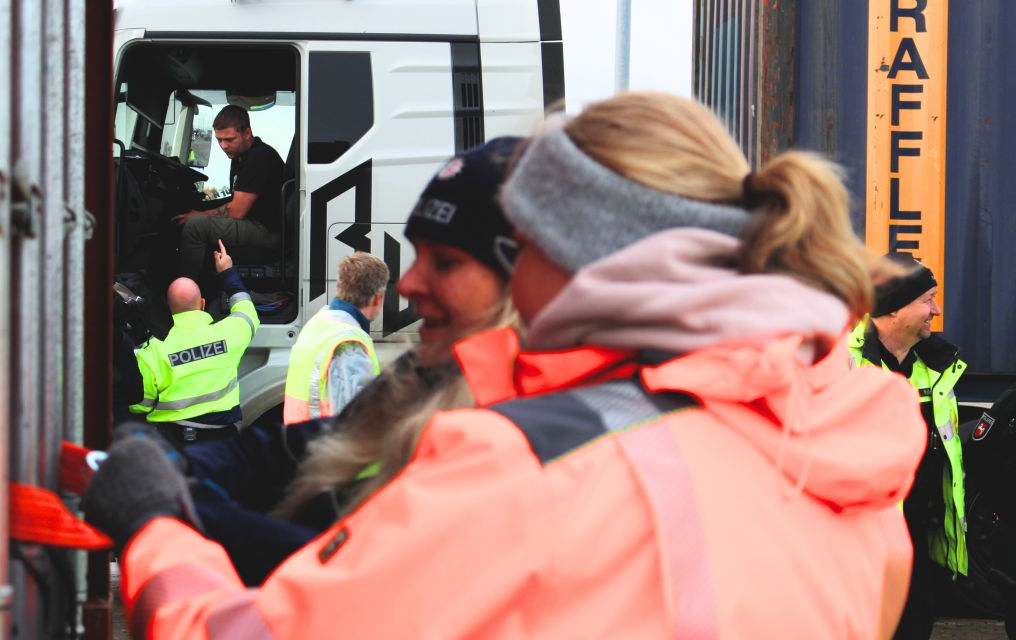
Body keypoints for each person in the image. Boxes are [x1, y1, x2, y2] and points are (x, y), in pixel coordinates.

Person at [84, 94, 923, 638]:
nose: (412, 284)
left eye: (515, 243)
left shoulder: (535, 459)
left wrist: (157, 526)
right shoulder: (844, 452)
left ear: (569, 253)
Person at [184, 136, 525, 585]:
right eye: (417, 257)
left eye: (444, 262)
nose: (413, 284)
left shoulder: (330, 330)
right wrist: (184, 477)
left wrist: (174, 511)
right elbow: (331, 435)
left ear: (522, 279)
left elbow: (359, 576)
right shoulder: (409, 371)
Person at [848, 254, 968, 639]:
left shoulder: (937, 368)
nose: (936, 310)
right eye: (927, 299)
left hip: (918, 544)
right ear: (894, 309)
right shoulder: (838, 365)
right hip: (856, 552)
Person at [129, 241, 260, 449]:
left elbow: (140, 404)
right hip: (223, 443)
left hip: (172, 444)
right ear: (202, 304)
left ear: (168, 309)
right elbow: (246, 310)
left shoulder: (152, 350)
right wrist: (227, 272)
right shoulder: (230, 333)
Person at [173, 105, 284, 281]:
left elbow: (236, 212)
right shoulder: (240, 156)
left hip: (267, 232)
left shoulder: (259, 158)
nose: (223, 146)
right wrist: (202, 207)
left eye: (229, 139)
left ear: (247, 133)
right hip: (254, 223)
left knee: (195, 227)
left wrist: (199, 215)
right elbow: (235, 199)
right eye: (219, 140)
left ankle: (186, 294)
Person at [282, 252, 389, 424]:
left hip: (302, 444)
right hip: (325, 448)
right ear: (377, 298)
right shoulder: (348, 344)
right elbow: (355, 427)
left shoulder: (318, 323)